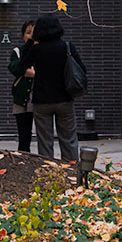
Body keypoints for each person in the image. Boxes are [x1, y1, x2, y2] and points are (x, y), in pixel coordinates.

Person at [19, 13, 82, 163]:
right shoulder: (67, 47)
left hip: (42, 101)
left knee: (45, 142)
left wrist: (31, 42)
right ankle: (71, 171)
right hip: (64, 99)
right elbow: (81, 68)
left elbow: (22, 66)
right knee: (69, 139)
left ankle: (48, 172)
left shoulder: (37, 50)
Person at [8, 20, 37, 152]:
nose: (31, 35)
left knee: (43, 134)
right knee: (23, 134)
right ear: (22, 35)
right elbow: (13, 68)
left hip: (40, 96)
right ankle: (24, 158)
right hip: (22, 97)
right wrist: (26, 71)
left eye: (34, 32)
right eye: (28, 32)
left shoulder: (42, 50)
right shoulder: (17, 51)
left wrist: (34, 74)